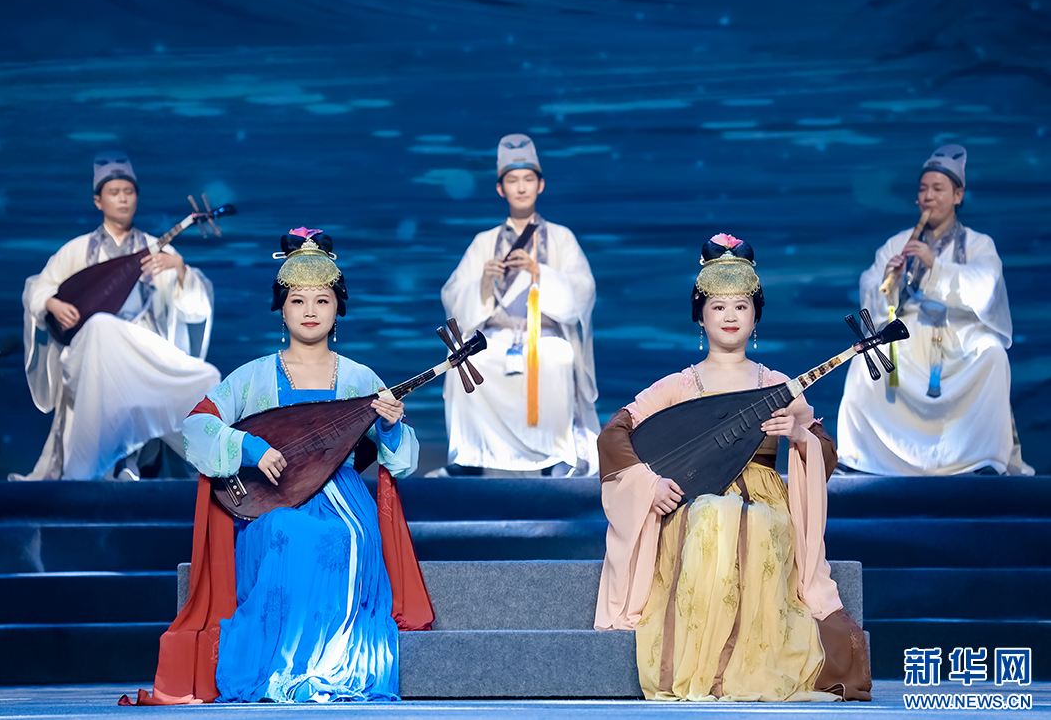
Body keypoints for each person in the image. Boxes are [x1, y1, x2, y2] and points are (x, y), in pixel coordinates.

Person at [594, 235, 871, 702]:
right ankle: (704, 668)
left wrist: (799, 436)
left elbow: (824, 453)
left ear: (755, 316)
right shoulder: (679, 385)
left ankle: (753, 668)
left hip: (765, 501)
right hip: (695, 503)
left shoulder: (777, 383)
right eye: (718, 306)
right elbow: (614, 434)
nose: (729, 316)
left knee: (757, 522)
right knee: (714, 517)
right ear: (700, 316)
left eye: (741, 306)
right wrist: (648, 483)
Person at [177, 229, 419, 703]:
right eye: (298, 301)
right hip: (273, 499)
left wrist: (391, 427)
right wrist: (249, 447)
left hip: (343, 503)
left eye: (322, 300)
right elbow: (196, 427)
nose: (310, 311)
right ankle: (280, 666)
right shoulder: (252, 376)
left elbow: (403, 460)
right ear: (282, 309)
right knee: (286, 530)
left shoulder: (359, 377)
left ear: (337, 309)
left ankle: (334, 666)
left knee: (340, 537)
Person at [13, 151, 219, 480]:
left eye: (128, 191)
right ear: (98, 201)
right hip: (90, 351)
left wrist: (179, 269)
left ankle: (209, 470)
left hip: (140, 348)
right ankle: (110, 466)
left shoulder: (156, 249)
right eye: (114, 192)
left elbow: (196, 307)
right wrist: (52, 304)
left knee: (205, 376)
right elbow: (37, 288)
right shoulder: (77, 250)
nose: (122, 199)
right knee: (100, 327)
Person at [837, 145, 1033, 476]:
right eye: (923, 189)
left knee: (993, 355)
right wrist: (890, 281)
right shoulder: (899, 242)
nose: (928, 196)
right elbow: (872, 288)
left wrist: (936, 266)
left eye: (938, 189)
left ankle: (981, 459)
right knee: (868, 359)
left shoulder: (978, 243)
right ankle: (861, 457)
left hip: (961, 332)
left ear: (958, 195)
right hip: (910, 332)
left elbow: (987, 286)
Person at [440, 134, 598, 476]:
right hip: (494, 338)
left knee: (557, 356)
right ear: (501, 189)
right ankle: (472, 455)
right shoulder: (484, 242)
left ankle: (554, 455)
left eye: (528, 179)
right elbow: (452, 294)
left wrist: (539, 272)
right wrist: (484, 283)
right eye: (513, 180)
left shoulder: (561, 238)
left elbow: (583, 290)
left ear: (540, 185)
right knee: (465, 362)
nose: (521, 187)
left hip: (542, 336)